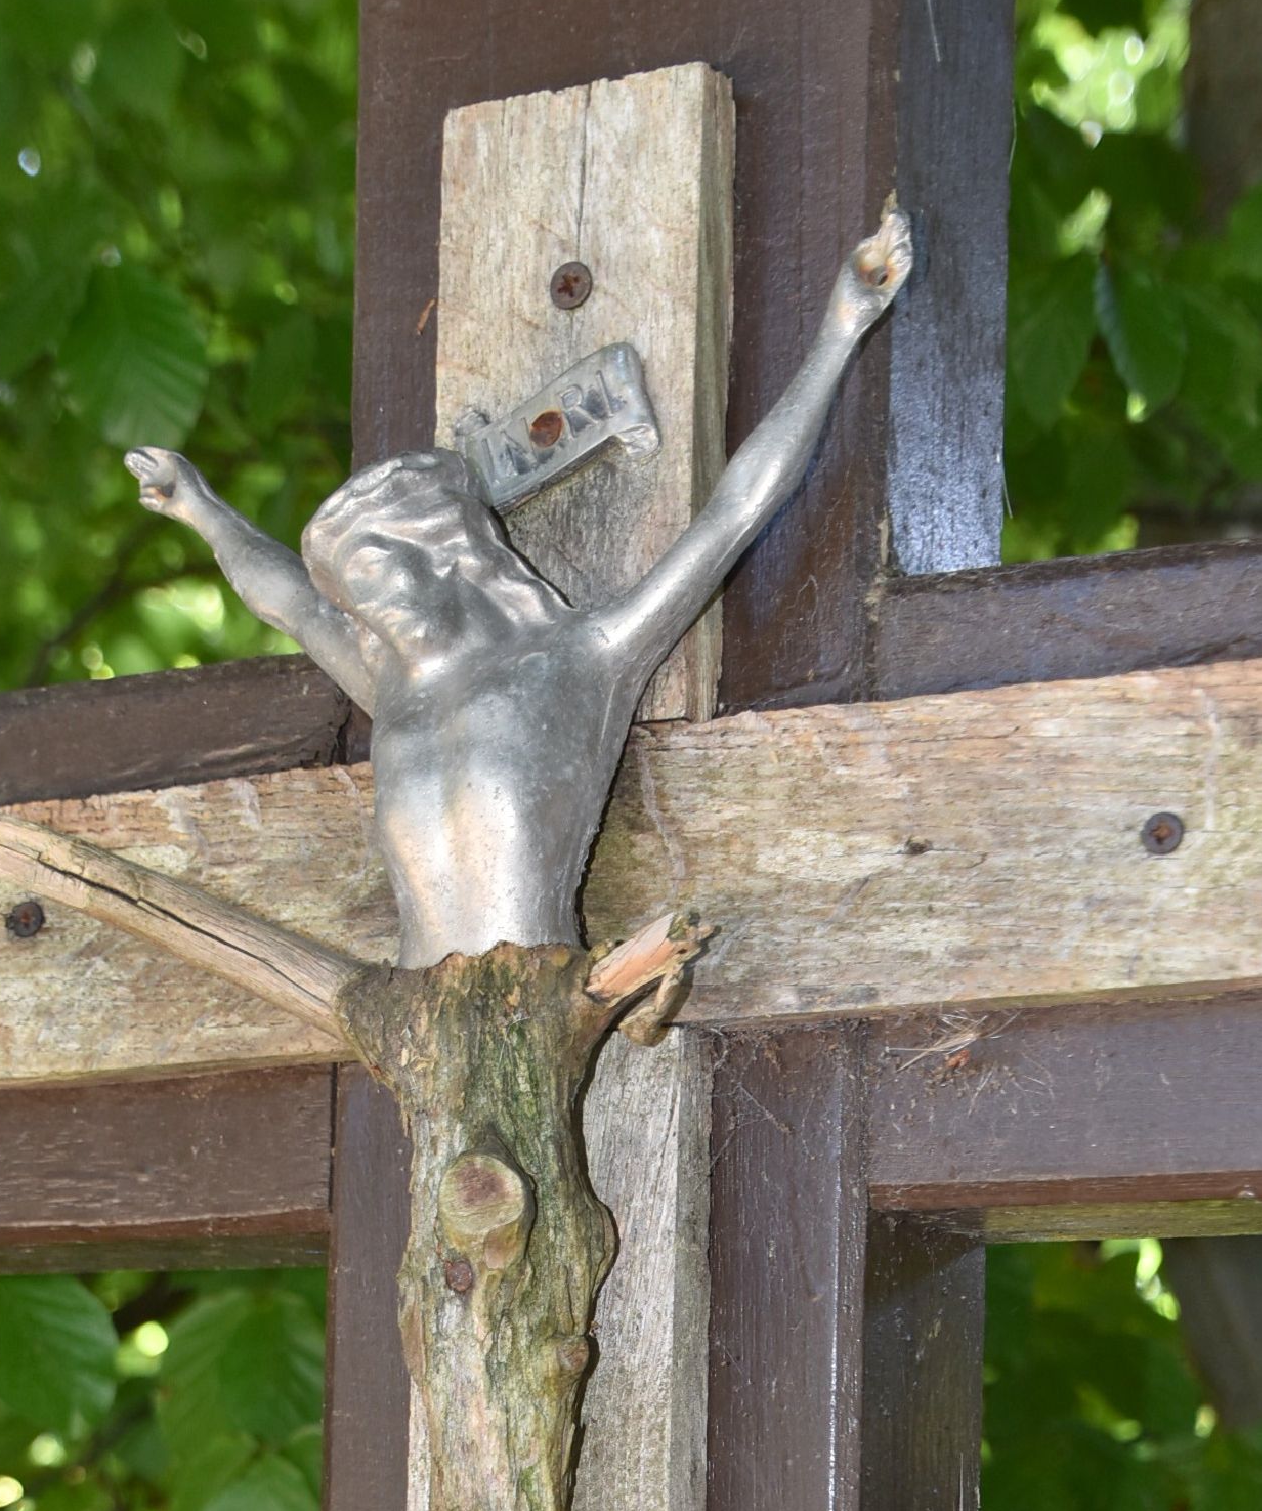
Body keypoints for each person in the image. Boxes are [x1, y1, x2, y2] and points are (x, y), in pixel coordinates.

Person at [126, 206, 913, 971]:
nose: (371, 615)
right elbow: (294, 604)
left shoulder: (581, 658)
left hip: (534, 1007)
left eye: (379, 583)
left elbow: (735, 511)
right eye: (360, 604)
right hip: (403, 1016)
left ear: (446, 558)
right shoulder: (394, 690)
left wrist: (839, 331)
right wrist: (199, 508)